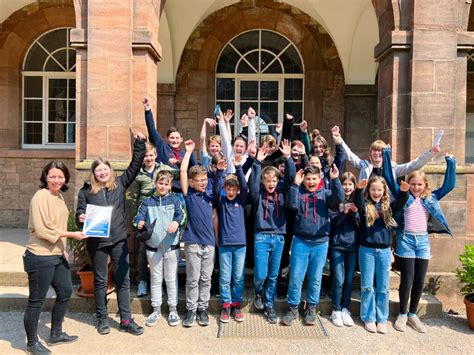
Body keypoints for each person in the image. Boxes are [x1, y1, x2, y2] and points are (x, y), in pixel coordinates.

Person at [76, 133, 146, 336]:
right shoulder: (86, 191)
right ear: (94, 173)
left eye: (105, 169)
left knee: (123, 279)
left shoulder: (121, 184)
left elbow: (135, 164)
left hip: (118, 240)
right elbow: (80, 211)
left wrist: (139, 143)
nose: (102, 173)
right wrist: (81, 217)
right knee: (99, 280)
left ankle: (126, 320)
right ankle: (102, 318)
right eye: (98, 170)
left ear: (110, 171)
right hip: (97, 241)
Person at [382, 147, 456, 333]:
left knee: (419, 280)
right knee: (407, 279)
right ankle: (402, 313)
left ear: (425, 186)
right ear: (408, 184)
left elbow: (449, 186)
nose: (416, 187)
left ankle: (413, 314)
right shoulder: (403, 196)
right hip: (405, 240)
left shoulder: (430, 198)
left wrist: (451, 163)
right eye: (413, 184)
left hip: (422, 242)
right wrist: (386, 155)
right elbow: (390, 179)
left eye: (419, 185)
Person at [23, 161, 87, 355]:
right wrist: (72, 235)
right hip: (40, 256)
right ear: (45, 177)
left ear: (65, 178)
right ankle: (31, 343)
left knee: (66, 291)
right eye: (53, 176)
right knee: (36, 301)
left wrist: (63, 248)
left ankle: (56, 333)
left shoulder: (59, 196)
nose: (57, 180)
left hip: (57, 255)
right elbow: (43, 230)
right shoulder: (40, 196)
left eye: (60, 176)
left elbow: (55, 226)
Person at [281, 164, 344, 326]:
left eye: (314, 179)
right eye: (307, 179)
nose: (310, 182)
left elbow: (339, 198)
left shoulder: (326, 194)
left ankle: (311, 307)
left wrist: (336, 179)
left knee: (315, 278)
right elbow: (291, 205)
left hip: (320, 243)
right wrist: (295, 184)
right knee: (296, 277)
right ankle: (293, 307)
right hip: (300, 241)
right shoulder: (299, 192)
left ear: (320, 179)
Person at [354, 176, 409, 334]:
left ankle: (382, 319)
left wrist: (404, 192)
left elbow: (401, 202)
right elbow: (357, 201)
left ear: (384, 191)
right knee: (367, 286)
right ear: (368, 191)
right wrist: (359, 189)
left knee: (383, 287)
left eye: (379, 189)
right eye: (373, 189)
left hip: (384, 251)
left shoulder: (388, 207)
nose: (376, 192)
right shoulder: (365, 205)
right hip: (366, 251)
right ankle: (369, 318)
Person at [248, 140, 294, 323]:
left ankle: (269, 305)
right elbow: (252, 187)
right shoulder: (258, 193)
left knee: (273, 275)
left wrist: (289, 158)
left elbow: (290, 179)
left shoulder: (282, 192)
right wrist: (258, 162)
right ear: (263, 182)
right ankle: (258, 291)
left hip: (279, 237)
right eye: (267, 181)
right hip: (261, 236)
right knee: (261, 273)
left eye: (274, 180)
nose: (271, 183)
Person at [134, 170, 185, 327]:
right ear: (155, 183)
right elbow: (137, 218)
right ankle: (156, 309)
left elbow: (182, 215)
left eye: (166, 184)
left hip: (171, 248)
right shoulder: (147, 202)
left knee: (171, 279)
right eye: (160, 183)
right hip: (153, 248)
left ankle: (173, 310)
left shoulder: (175, 200)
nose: (163, 186)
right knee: (155, 279)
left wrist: (177, 222)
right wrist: (139, 223)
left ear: (170, 186)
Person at [128, 142, 176, 297]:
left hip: (163, 212)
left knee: (163, 248)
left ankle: (161, 283)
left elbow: (176, 176)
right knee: (143, 251)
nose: (148, 158)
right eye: (145, 155)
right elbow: (134, 197)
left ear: (156, 155)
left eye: (151, 155)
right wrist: (138, 219)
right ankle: (142, 280)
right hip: (146, 215)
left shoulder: (163, 169)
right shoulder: (139, 174)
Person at [180, 140, 217, 327]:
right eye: (199, 181)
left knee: (206, 278)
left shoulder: (211, 195)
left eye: (205, 180)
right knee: (193, 278)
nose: (203, 183)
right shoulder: (190, 195)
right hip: (193, 242)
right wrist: (188, 152)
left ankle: (202, 309)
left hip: (209, 243)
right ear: (192, 182)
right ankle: (191, 310)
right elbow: (182, 173)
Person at [332, 125, 438, 181]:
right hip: (367, 206)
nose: (377, 153)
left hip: (386, 206)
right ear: (370, 152)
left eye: (380, 150)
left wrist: (430, 153)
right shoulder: (364, 165)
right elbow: (350, 155)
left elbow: (413, 166)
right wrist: (339, 139)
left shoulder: (393, 168)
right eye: (375, 150)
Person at [213, 155, 248, 323]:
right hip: (225, 244)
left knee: (238, 277)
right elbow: (215, 190)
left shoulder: (241, 200)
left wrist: (239, 167)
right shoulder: (222, 201)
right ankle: (226, 305)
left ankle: (236, 304)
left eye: (234, 189)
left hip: (240, 244)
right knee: (225, 277)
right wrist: (220, 171)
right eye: (229, 189)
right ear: (225, 189)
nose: (231, 192)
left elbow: (245, 187)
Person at [329, 172, 360, 327]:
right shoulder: (335, 201)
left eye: (350, 184)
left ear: (354, 186)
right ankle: (336, 309)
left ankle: (345, 308)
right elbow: (331, 224)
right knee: (339, 278)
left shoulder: (359, 201)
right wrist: (343, 212)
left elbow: (362, 225)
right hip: (337, 244)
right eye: (344, 184)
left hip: (352, 245)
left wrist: (354, 213)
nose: (347, 187)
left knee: (349, 279)